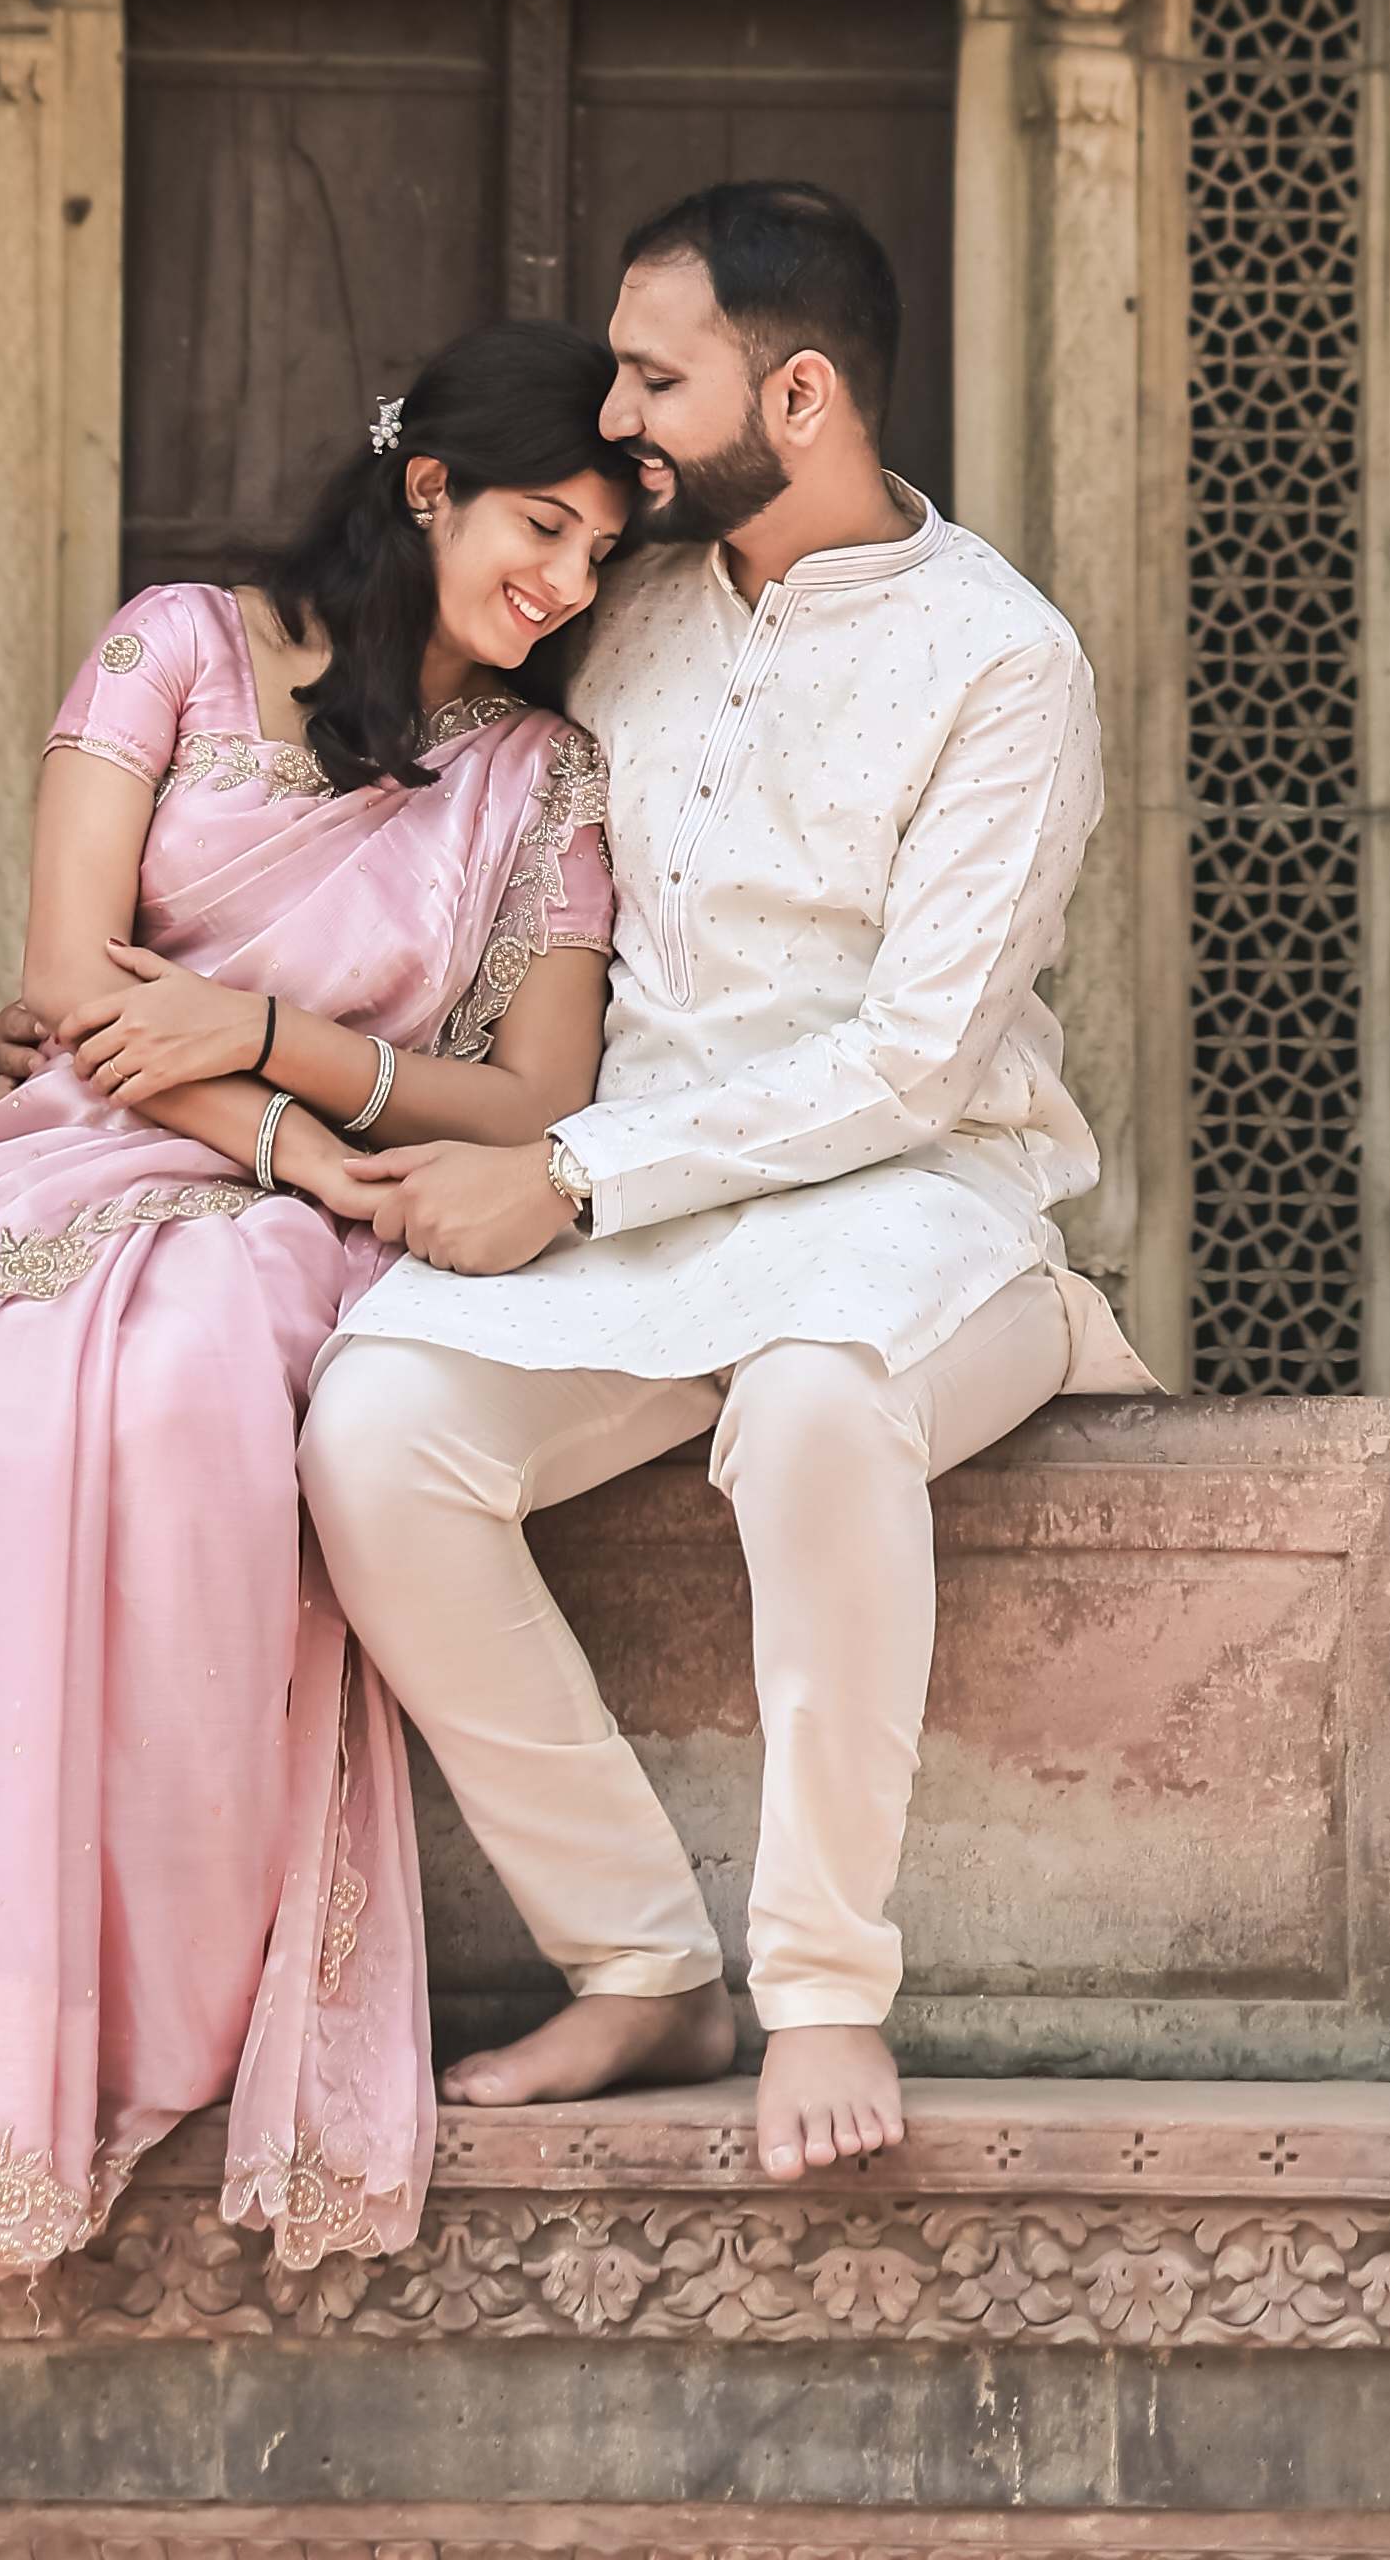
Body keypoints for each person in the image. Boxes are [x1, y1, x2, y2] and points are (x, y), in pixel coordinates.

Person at [0, 322, 629, 2279]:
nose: (560, 587)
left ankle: (151, 2005)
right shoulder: (175, 647)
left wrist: (271, 1051)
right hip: (102, 1154)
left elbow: (540, 1102)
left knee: (197, 1383)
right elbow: (70, 982)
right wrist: (274, 1132)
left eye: (594, 560)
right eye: (538, 527)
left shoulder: (539, 777)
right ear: (429, 491)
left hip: (324, 1214)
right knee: (13, 1400)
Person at [297, 181, 1146, 2187]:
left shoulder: (997, 663)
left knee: (812, 1406)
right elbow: (420, 798)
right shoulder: (632, 609)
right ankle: (636, 1960)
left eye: (653, 376)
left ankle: (820, 1987)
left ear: (798, 393)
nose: (615, 414)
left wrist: (574, 1181)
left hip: (917, 1208)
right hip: (640, 1215)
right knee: (375, 1430)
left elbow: (910, 1061)